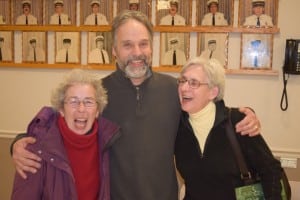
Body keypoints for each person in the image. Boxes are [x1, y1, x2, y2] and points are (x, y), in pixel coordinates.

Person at [11, 10, 261, 200]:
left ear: (152, 47)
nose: (137, 52)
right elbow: (58, 123)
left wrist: (245, 115)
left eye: (143, 43)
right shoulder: (96, 94)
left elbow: (210, 110)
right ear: (114, 51)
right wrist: (19, 141)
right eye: (127, 45)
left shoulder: (174, 90)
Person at [175, 57, 282, 199]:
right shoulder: (175, 126)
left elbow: (271, 171)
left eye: (193, 83)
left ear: (213, 92)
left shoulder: (238, 122)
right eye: (182, 81)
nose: (183, 88)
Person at [11, 69, 119, 200]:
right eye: (73, 101)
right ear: (61, 109)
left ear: (97, 111)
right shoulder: (36, 150)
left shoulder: (107, 142)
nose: (81, 109)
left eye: (88, 102)